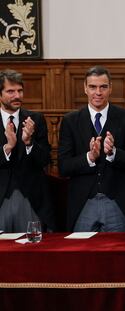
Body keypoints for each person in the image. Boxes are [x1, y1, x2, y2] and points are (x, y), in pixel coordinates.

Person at [58, 66, 125, 232]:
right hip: (83, 203)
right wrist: (89, 157)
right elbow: (63, 167)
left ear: (110, 88)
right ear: (85, 88)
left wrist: (113, 153)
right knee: (81, 255)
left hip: (117, 202)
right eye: (93, 87)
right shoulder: (70, 121)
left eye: (103, 87)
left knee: (117, 255)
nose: (98, 92)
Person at [0, 69, 55, 232]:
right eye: (10, 91)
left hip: (31, 199)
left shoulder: (35, 119)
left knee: (33, 251)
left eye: (20, 90)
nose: (17, 96)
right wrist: (8, 147)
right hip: (1, 198)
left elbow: (45, 160)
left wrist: (29, 142)